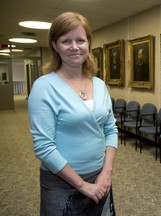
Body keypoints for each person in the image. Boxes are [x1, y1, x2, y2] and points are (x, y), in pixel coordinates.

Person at [28, 12, 118, 215]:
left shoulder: (100, 84)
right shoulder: (44, 87)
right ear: (55, 46)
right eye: (65, 41)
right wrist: (82, 185)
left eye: (80, 40)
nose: (74, 47)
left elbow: (110, 129)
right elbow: (43, 147)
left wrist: (107, 172)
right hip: (62, 183)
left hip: (100, 177)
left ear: (89, 43)